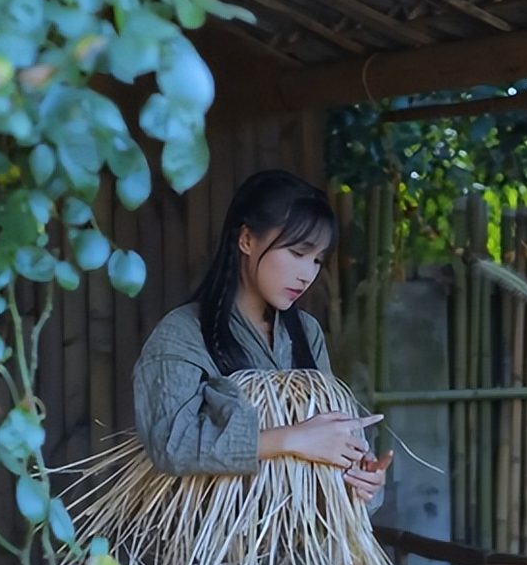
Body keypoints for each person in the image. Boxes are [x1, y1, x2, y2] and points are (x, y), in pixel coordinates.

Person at [132, 169, 391, 511]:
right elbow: (171, 444)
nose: (307, 274)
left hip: (304, 547)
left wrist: (364, 478)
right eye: (298, 253)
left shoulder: (307, 332)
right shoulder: (182, 333)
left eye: (317, 260)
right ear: (247, 240)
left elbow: (334, 439)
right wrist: (292, 439)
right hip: (216, 550)